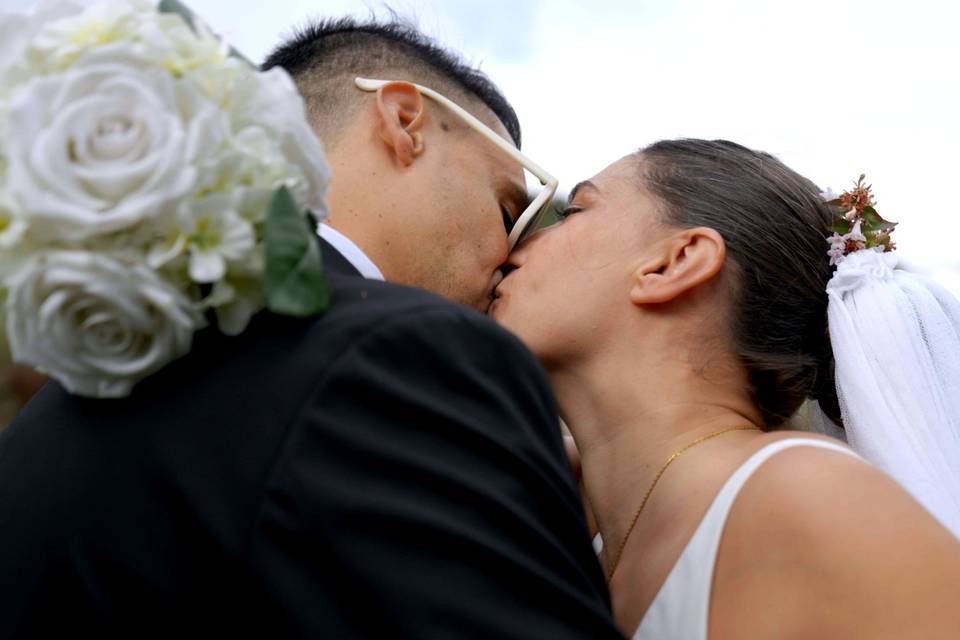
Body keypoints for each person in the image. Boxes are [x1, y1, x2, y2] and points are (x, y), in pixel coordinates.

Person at [0, 19, 620, 638]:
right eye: (511, 209)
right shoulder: (407, 353)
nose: (512, 254)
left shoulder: (47, 421)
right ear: (405, 120)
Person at [491, 139, 960, 639]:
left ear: (675, 263)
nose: (515, 241)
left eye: (575, 210)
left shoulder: (808, 497)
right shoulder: (554, 512)